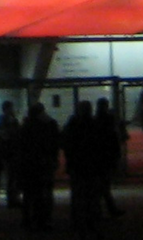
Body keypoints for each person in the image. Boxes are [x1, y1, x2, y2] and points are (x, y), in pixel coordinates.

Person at [61, 103, 104, 237]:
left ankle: (78, 223)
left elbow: (65, 144)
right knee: (92, 196)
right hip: (91, 166)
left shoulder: (72, 125)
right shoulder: (94, 125)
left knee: (78, 195)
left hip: (77, 165)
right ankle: (92, 223)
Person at [19, 102, 60, 232]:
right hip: (43, 163)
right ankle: (42, 219)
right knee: (43, 193)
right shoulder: (48, 125)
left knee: (29, 193)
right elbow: (54, 143)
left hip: (28, 164)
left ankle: (27, 218)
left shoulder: (25, 127)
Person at [92, 100, 123, 220]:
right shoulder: (109, 121)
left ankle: (103, 210)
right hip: (107, 157)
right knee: (104, 186)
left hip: (98, 157)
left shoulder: (95, 121)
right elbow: (114, 139)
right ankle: (107, 209)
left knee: (101, 186)